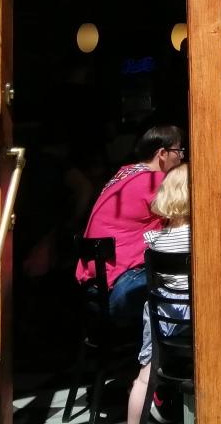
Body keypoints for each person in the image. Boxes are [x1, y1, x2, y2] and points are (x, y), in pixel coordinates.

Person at [76, 125, 184, 329]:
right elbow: (190, 212)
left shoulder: (125, 174)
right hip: (121, 286)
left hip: (95, 286)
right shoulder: (154, 180)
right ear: (162, 153)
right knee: (192, 277)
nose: (181, 158)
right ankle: (172, 343)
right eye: (178, 151)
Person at [127, 164, 191, 424]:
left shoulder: (156, 240)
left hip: (162, 316)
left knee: (144, 376)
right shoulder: (199, 237)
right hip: (194, 318)